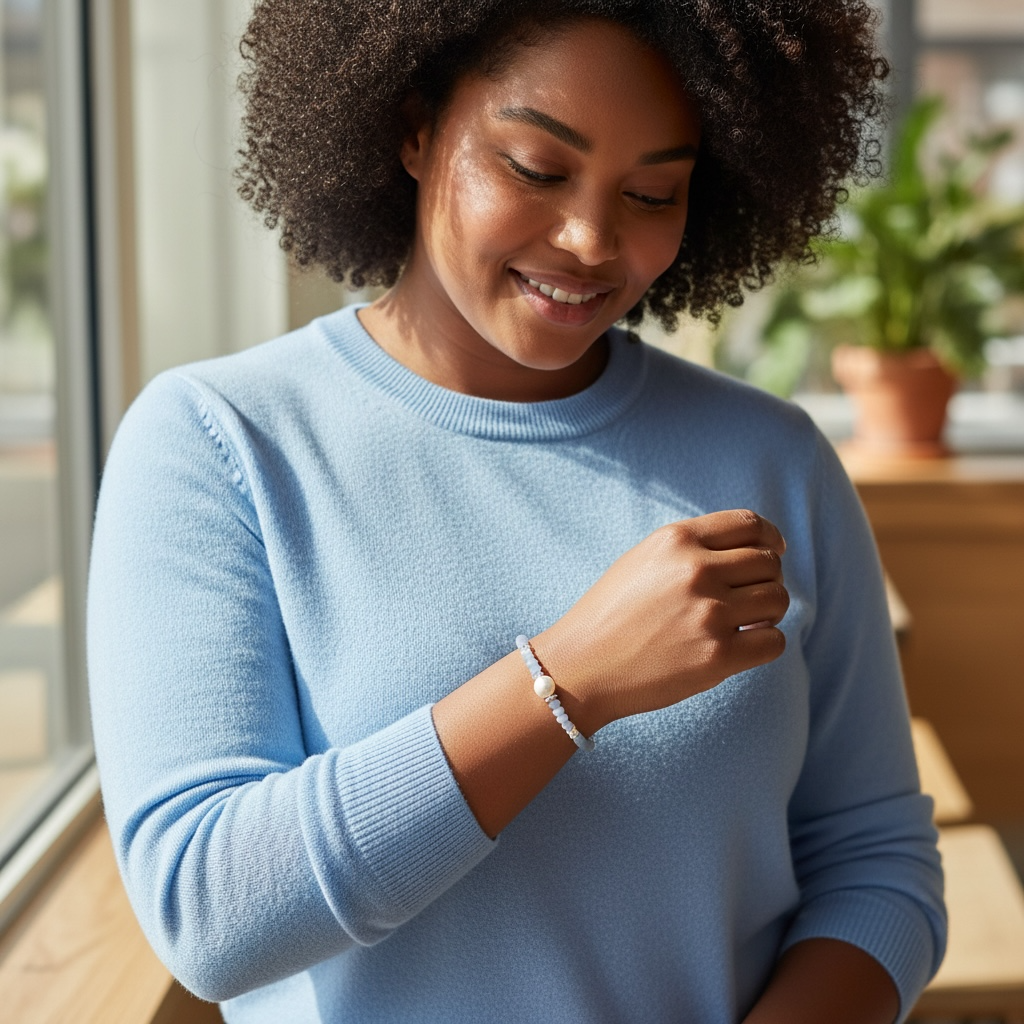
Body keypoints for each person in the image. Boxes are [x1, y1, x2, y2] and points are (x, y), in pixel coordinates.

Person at [87, 2, 946, 1022]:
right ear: (414, 127)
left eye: (651, 191)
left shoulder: (771, 459)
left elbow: (877, 863)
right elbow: (209, 912)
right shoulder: (221, 442)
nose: (591, 238)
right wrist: (568, 680)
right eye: (536, 168)